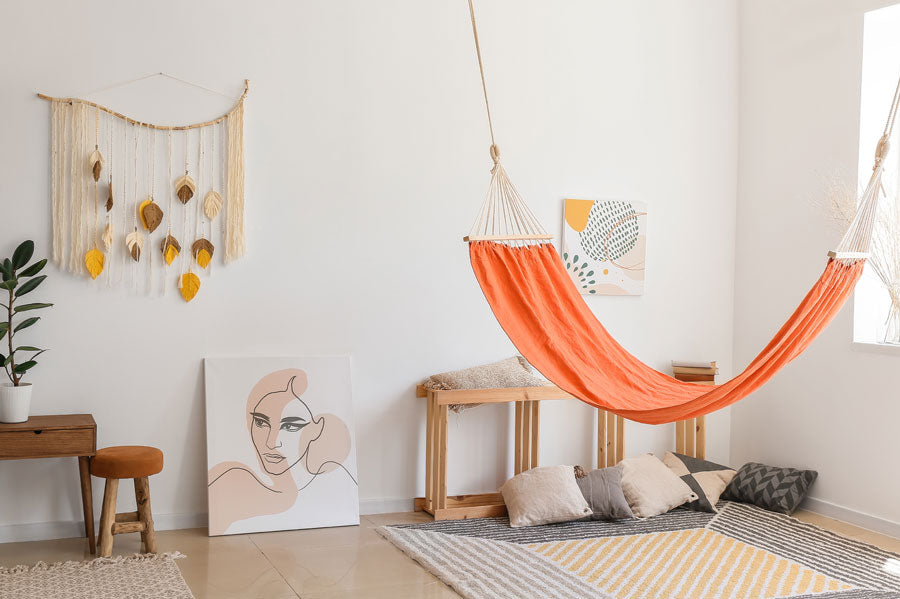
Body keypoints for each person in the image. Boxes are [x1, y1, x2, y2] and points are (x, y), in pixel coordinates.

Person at [207, 368, 355, 535]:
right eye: (261, 423)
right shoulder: (229, 480)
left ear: (315, 432)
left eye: (290, 426)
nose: (272, 443)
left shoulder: (336, 492)